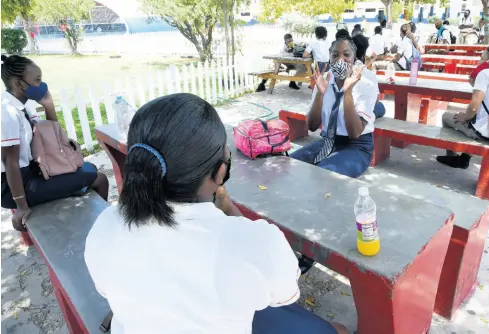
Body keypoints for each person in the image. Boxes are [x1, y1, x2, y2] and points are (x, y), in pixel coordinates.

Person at [84, 93, 348, 334]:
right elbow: (284, 291)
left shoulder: (106, 225)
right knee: (333, 330)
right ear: (220, 173)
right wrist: (230, 210)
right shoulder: (252, 242)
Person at [1, 54, 109, 231]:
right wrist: (21, 205)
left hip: (34, 171)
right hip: (16, 185)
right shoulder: (7, 112)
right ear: (19, 83)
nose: (41, 85)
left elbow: (51, 134)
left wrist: (48, 106)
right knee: (100, 179)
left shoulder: (23, 106)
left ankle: (77, 202)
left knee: (89, 169)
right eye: (37, 80)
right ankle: (100, 230)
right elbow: (9, 161)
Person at [290, 30, 378, 179]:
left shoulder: (365, 85)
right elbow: (312, 126)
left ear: (354, 57)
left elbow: (355, 132)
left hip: (356, 146)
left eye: (346, 55)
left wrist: (348, 92)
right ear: (329, 58)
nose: (340, 60)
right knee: (291, 163)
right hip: (328, 141)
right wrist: (320, 93)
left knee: (325, 172)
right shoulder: (324, 79)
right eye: (335, 55)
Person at [436, 45, 489, 169]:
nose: (478, 62)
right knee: (474, 118)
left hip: (485, 132)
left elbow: (474, 107)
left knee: (446, 117)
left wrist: (465, 117)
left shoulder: (485, 74)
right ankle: (465, 158)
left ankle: (453, 157)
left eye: (481, 59)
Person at [352, 34, 385, 119]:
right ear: (365, 52)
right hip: (359, 113)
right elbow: (376, 100)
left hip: (346, 108)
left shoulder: (344, 69)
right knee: (380, 107)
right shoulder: (370, 74)